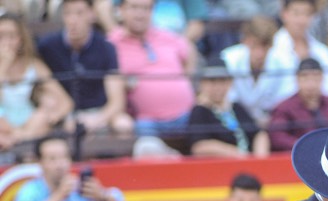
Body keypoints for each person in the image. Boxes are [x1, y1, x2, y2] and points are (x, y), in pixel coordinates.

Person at [37, 0, 134, 154]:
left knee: (124, 124)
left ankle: (121, 171)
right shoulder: (47, 46)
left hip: (101, 112)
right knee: (70, 127)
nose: (73, 20)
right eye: (68, 13)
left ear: (92, 14)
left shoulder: (106, 47)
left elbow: (117, 102)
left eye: (79, 13)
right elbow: (38, 76)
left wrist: (95, 121)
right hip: (67, 112)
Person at [108, 0, 197, 140]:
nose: (140, 14)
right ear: (121, 10)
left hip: (185, 115)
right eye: (134, 7)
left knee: (208, 126)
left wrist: (187, 82)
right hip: (145, 121)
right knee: (146, 144)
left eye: (146, 8)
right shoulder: (112, 43)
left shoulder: (168, 37)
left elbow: (190, 51)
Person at [0, 11, 73, 160]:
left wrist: (53, 116)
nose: (6, 42)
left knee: (41, 116)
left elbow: (66, 102)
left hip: (29, 125)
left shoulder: (34, 66)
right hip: (2, 124)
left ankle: (21, 142)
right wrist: (4, 65)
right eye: (1, 36)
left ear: (20, 39)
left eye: (12, 36)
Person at [11, 132, 125, 201]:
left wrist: (102, 197)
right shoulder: (30, 191)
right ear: (40, 162)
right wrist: (59, 195)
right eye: (52, 159)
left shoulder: (79, 187)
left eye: (64, 157)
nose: (60, 164)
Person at [186, 55, 271, 156]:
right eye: (212, 81)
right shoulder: (200, 111)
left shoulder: (236, 107)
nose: (218, 87)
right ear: (203, 83)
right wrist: (238, 154)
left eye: (222, 81)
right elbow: (199, 146)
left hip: (249, 164)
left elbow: (258, 134)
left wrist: (260, 158)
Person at [267, 56, 328, 150]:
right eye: (305, 77)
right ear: (297, 79)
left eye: (315, 77)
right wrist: (304, 145)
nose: (311, 84)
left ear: (322, 78)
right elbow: (277, 137)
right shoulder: (284, 107)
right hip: (299, 157)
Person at [270, 0, 328, 106]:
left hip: (321, 115)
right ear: (284, 14)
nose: (301, 20)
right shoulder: (271, 49)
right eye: (296, 13)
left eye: (307, 14)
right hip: (282, 115)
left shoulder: (323, 52)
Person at [219, 15, 282, 129]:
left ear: (272, 44)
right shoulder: (228, 59)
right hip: (235, 126)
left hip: (271, 125)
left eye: (264, 46)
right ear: (244, 41)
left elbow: (282, 100)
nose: (259, 53)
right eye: (254, 45)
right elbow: (226, 100)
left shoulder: (282, 63)